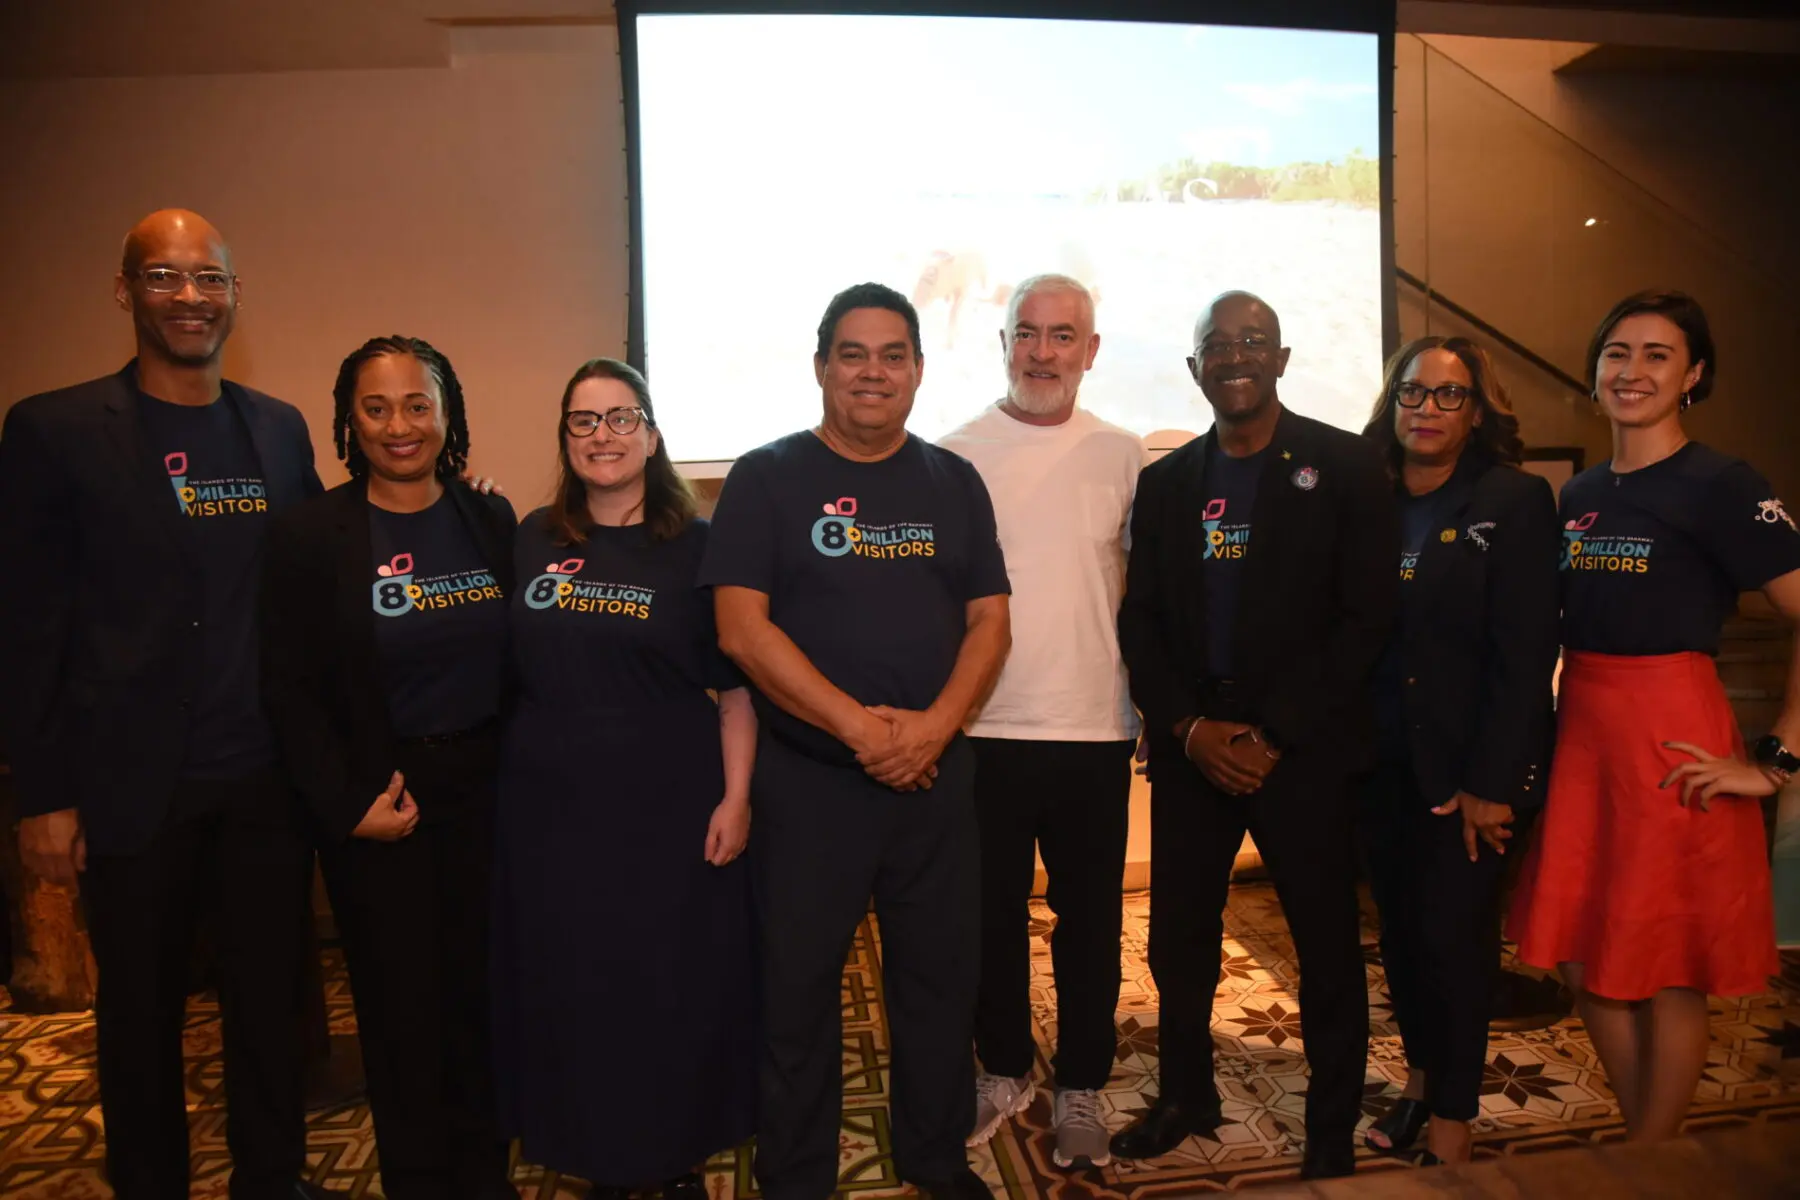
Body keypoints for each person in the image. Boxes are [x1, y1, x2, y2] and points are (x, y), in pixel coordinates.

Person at [0, 209, 327, 1199]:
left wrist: (451, 504)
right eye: (165, 277)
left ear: (234, 293)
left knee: (271, 1010)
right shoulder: (53, 430)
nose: (191, 297)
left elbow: (317, 571)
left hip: (264, 781)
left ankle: (273, 1179)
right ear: (125, 291)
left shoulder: (276, 426)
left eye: (210, 278)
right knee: (138, 1016)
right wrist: (41, 794)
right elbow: (26, 626)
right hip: (133, 790)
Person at [700, 283, 1012, 1200]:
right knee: (796, 995)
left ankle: (932, 1155)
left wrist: (932, 730)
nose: (872, 372)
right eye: (852, 354)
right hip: (810, 790)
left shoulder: (953, 481)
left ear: (917, 369)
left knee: (937, 986)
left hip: (933, 786)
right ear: (821, 368)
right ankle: (796, 1176)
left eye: (892, 355)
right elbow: (740, 630)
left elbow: (991, 622)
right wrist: (861, 731)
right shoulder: (766, 477)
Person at [1113, 291, 1397, 1179]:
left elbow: (1367, 619)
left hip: (1303, 755)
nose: (1235, 356)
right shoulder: (1165, 484)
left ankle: (1329, 1126)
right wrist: (1190, 727)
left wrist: (1274, 736)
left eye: (1253, 341)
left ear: (1281, 358)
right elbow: (1142, 621)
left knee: (1323, 948)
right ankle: (1187, 1096)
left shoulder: (1345, 466)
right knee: (1177, 941)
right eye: (1217, 346)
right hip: (1196, 751)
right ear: (1195, 368)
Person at [1507, 290, 1800, 1141]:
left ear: (1693, 376)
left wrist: (1778, 756)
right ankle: (1651, 1152)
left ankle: (1647, 1159)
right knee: (1582, 953)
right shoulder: (1582, 493)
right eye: (1617, 353)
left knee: (1669, 967)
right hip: (1587, 735)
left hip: (1674, 739)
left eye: (1657, 355)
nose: (1632, 371)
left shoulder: (1721, 483)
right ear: (1595, 373)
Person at [492, 358, 757, 1196]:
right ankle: (597, 1153)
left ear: (650, 431)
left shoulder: (699, 546)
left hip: (669, 808)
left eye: (619, 417)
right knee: (576, 986)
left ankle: (668, 1155)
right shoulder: (531, 536)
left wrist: (737, 797)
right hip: (550, 811)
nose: (601, 435)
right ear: (565, 437)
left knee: (665, 987)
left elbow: (736, 689)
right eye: (583, 421)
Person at [260, 335, 516, 1198]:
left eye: (418, 405)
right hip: (384, 806)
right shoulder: (309, 535)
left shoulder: (490, 518)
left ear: (448, 417)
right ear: (348, 419)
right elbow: (288, 692)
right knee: (402, 1021)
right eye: (376, 407)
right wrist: (345, 806)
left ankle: (486, 1177)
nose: (399, 425)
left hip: (487, 795)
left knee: (482, 1008)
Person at [938, 275, 1142, 1167]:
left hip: (1095, 726)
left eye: (1064, 336)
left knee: (1091, 920)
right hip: (985, 728)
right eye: (1028, 333)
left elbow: (1141, 595)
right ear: (1004, 343)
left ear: (1091, 350)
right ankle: (1006, 1067)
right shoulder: (951, 456)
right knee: (987, 917)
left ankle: (1086, 1086)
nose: (1044, 352)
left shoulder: (1128, 455)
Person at [1355, 336, 1560, 1164]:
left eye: (1448, 396)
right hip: (1378, 769)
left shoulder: (1512, 501)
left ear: (1477, 411)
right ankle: (1417, 1083)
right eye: (1413, 393)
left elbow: (1525, 656)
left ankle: (1451, 1127)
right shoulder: (1367, 496)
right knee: (1400, 940)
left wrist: (1492, 783)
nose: (1427, 410)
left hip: (1467, 778)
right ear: (1392, 401)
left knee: (1455, 946)